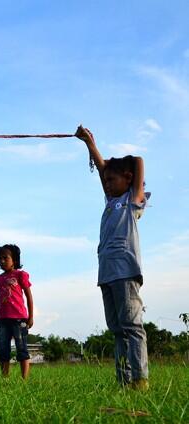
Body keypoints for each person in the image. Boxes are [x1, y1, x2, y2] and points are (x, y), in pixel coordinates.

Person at [75, 125, 149, 390]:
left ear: (128, 178)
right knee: (117, 330)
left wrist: (128, 166)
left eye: (111, 180)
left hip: (125, 272)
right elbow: (102, 166)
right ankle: (123, 380)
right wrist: (89, 143)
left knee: (131, 326)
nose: (106, 184)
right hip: (106, 274)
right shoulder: (110, 201)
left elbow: (138, 161)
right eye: (105, 181)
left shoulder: (132, 201)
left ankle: (140, 379)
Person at [0, 244, 33, 379]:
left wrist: (30, 317)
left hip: (19, 318)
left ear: (15, 260)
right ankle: (5, 378)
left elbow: (28, 295)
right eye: (0, 258)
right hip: (3, 319)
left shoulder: (20, 275)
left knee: (21, 348)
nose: (2, 261)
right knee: (3, 349)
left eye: (6, 258)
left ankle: (25, 379)